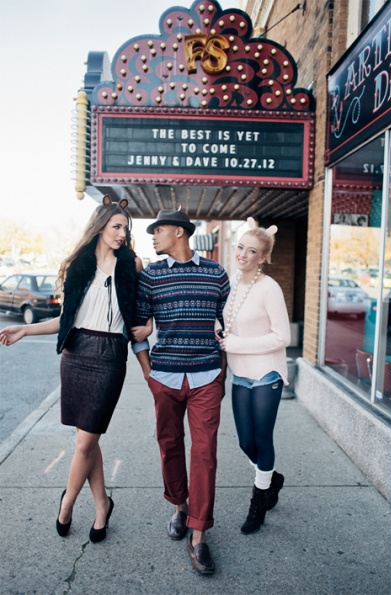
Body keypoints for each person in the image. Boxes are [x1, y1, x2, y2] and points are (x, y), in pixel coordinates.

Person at [0, 197, 143, 543]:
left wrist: (148, 327)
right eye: (116, 227)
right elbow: (66, 321)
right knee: (86, 440)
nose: (122, 234)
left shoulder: (132, 265)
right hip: (76, 354)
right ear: (100, 226)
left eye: (125, 228)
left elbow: (141, 311)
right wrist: (24, 329)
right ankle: (102, 505)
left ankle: (66, 503)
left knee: (84, 442)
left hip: (110, 356)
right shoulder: (79, 266)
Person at [132, 208, 229, 575]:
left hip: (206, 377)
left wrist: (222, 369)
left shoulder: (216, 273)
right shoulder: (151, 276)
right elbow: (137, 327)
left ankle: (199, 535)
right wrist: (148, 374)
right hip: (165, 377)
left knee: (204, 453)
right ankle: (179, 506)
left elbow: (227, 322)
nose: (153, 237)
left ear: (178, 232)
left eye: (158, 231)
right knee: (169, 444)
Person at [217, 217, 291, 534]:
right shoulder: (231, 284)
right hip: (240, 376)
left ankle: (258, 504)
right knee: (246, 442)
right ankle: (272, 477)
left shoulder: (269, 288)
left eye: (252, 251)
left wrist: (237, 344)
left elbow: (282, 336)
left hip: (265, 375)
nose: (243, 255)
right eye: (241, 248)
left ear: (263, 257)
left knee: (262, 439)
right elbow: (225, 321)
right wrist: (219, 331)